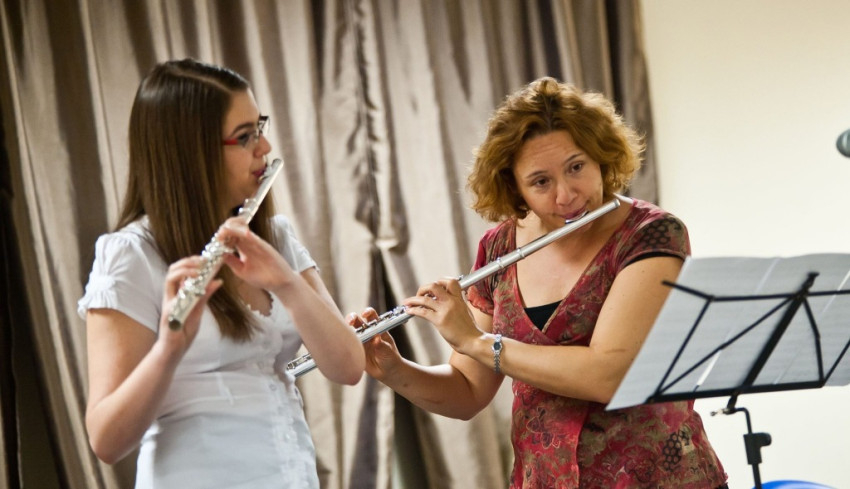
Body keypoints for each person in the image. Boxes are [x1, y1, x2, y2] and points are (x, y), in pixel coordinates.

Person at [353, 77, 728, 488]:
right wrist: (394, 370)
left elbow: (607, 374)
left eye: (576, 167)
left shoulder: (650, 235)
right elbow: (467, 392)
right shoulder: (499, 247)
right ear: (515, 188)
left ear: (600, 156)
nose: (566, 195)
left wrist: (476, 342)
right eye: (541, 182)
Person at [78, 58, 364, 489]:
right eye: (245, 136)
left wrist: (286, 283)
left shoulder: (274, 236)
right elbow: (106, 440)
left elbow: (348, 367)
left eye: (259, 128)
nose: (264, 148)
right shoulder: (131, 255)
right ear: (189, 153)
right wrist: (169, 349)